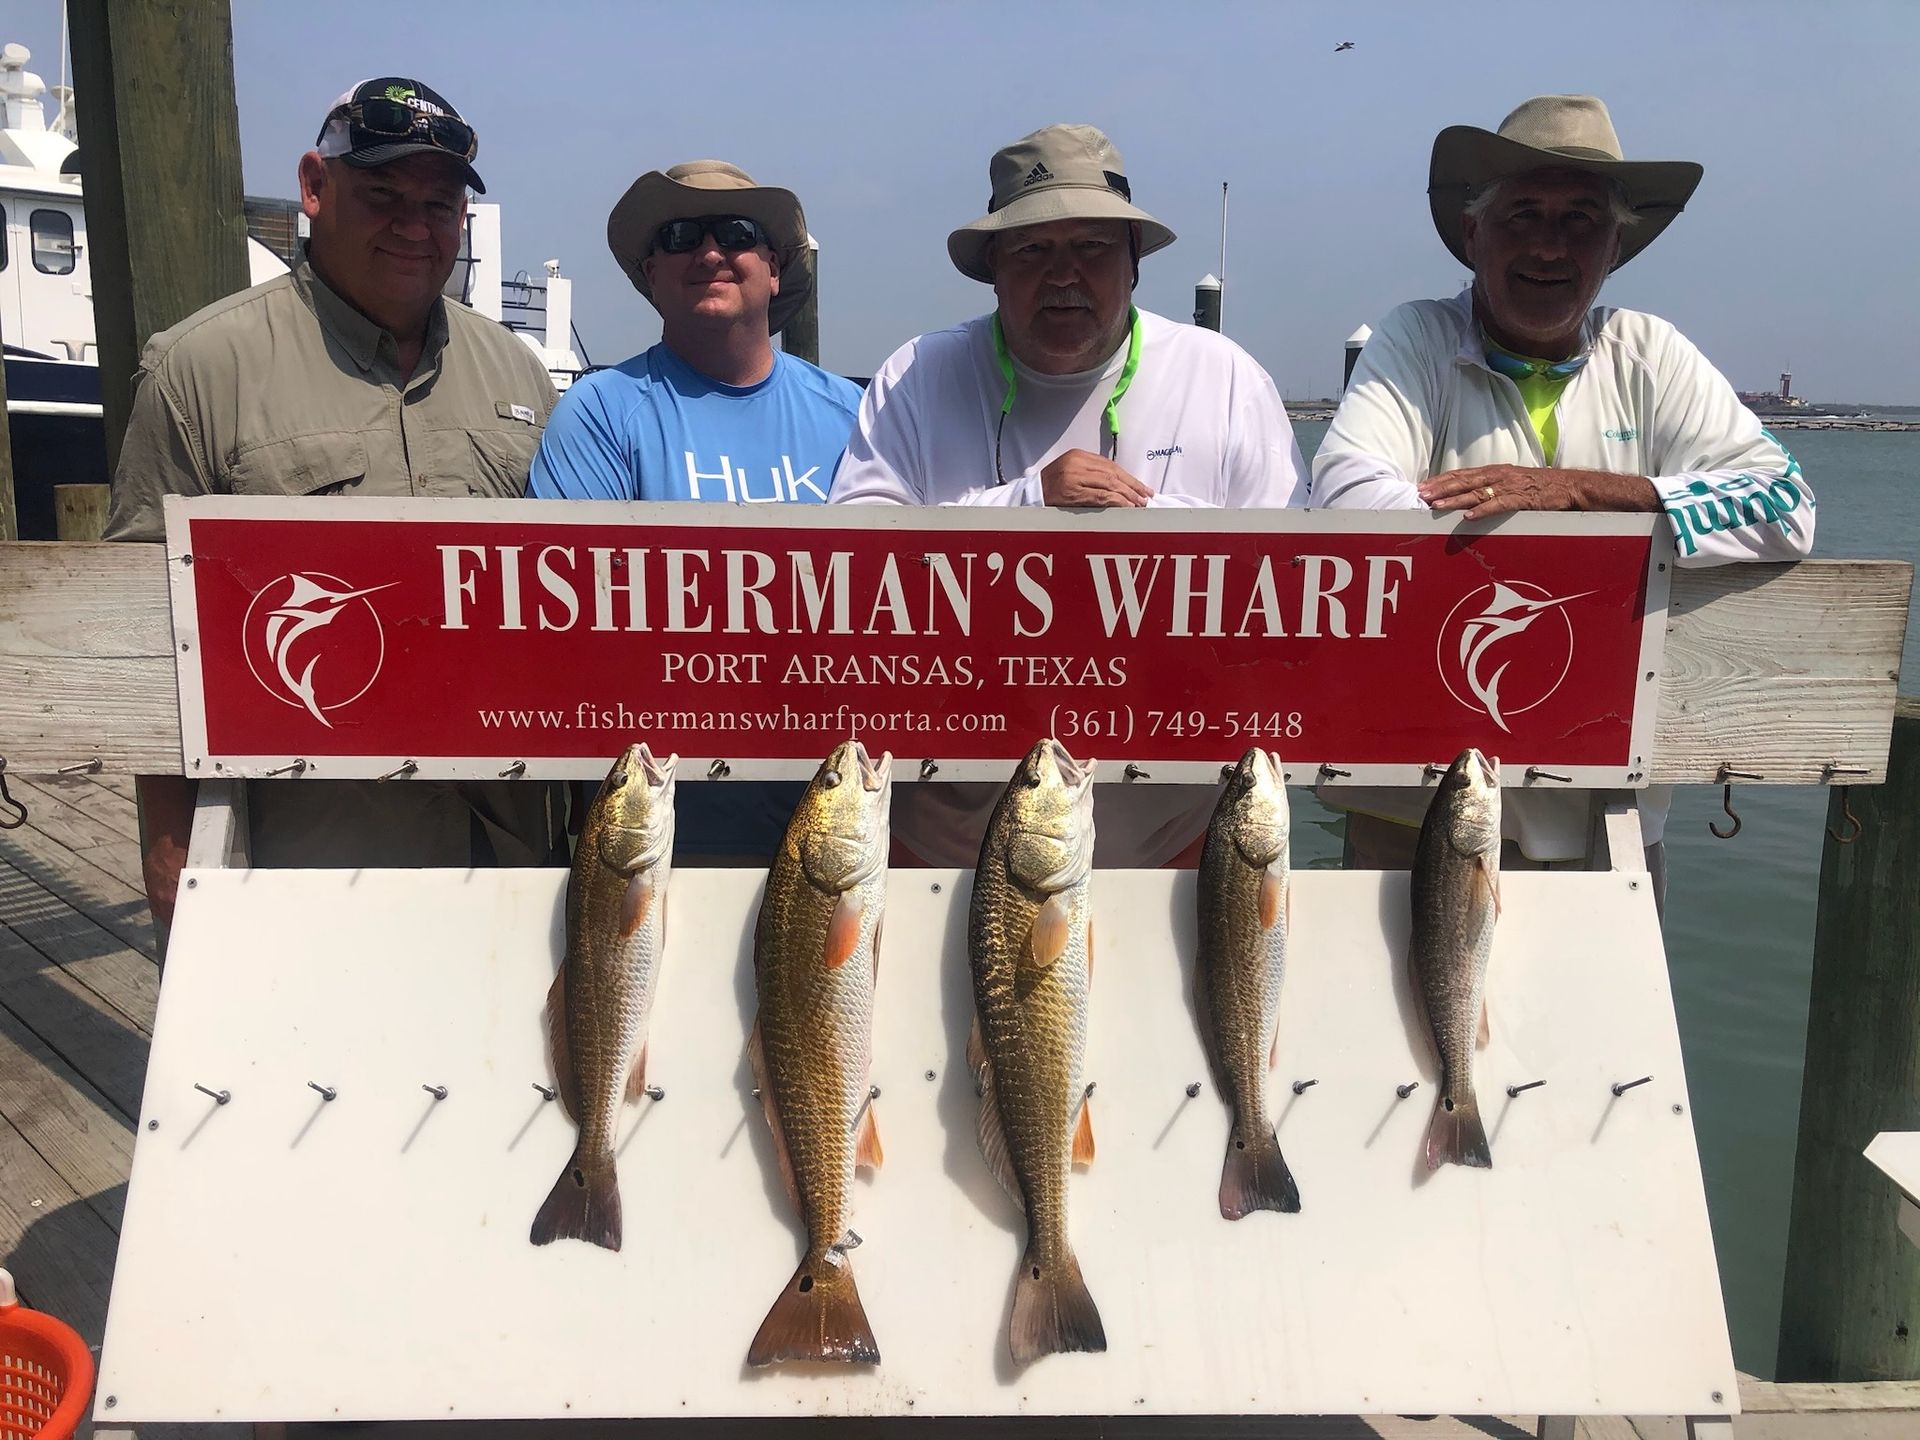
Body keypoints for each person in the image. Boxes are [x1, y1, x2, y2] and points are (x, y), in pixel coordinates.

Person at [1312, 94, 1817, 896]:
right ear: (1474, 235)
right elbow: (1344, 503)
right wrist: (1606, 529)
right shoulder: (1416, 338)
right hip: (1413, 812)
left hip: (1609, 814)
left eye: (1581, 219)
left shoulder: (1653, 353)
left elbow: (1786, 502)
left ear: (1616, 245)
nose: (1550, 245)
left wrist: (1579, 493)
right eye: (1524, 215)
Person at [103, 77, 563, 937]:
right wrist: (169, 860)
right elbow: (145, 638)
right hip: (307, 867)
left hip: (513, 866)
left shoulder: (522, 374)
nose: (414, 225)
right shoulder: (199, 367)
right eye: (382, 194)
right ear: (315, 188)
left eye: (439, 203)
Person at [831, 122, 1307, 867]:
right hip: (947, 846)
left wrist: (1134, 529)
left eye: (1091, 248)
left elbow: (1293, 589)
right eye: (1032, 251)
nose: (1064, 275)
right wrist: (1026, 505)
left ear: (1134, 264)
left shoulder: (1226, 377)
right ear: (992, 267)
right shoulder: (915, 374)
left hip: (1170, 845)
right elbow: (852, 569)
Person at [529, 160, 862, 861]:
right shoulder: (597, 413)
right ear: (651, 273)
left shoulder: (857, 415)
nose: (709, 252)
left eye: (736, 233)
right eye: (680, 235)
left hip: (833, 823)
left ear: (774, 269)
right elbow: (569, 641)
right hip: (652, 838)